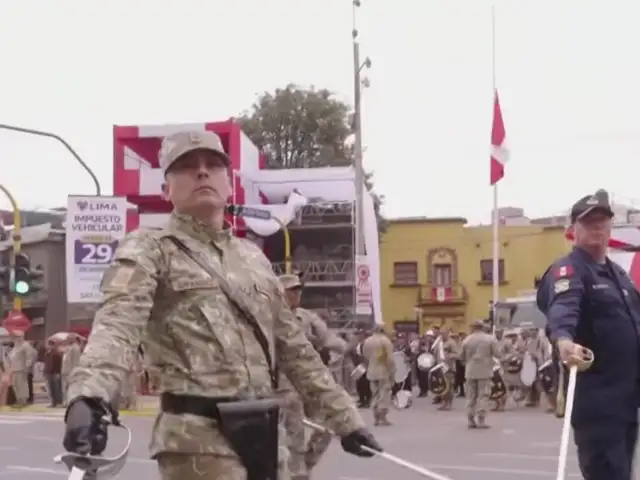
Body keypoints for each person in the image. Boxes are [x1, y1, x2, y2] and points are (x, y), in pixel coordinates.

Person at [62, 130, 382, 480]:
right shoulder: (150, 249)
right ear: (166, 189)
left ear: (228, 184)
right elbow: (117, 326)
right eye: (186, 167)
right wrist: (89, 397)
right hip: (196, 437)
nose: (202, 172)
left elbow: (295, 349)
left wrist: (346, 420)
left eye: (213, 165)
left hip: (265, 433)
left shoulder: (253, 258)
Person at [537, 189, 640, 480]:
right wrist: (564, 340)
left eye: (603, 221)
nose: (597, 227)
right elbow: (563, 307)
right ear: (572, 231)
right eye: (589, 222)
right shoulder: (569, 270)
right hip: (598, 403)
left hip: (627, 401)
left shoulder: (618, 276)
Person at [460, 320, 501, 429]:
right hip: (485, 371)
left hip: (470, 371)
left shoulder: (466, 340)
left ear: (472, 328)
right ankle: (481, 420)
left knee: (470, 396)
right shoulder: (490, 339)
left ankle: (470, 419)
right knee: (483, 396)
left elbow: (461, 357)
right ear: (482, 327)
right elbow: (498, 354)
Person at [361, 326, 395, 426]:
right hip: (383, 371)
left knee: (374, 394)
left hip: (371, 370)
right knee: (384, 394)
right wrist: (392, 371)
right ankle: (382, 418)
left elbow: (365, 356)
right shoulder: (385, 341)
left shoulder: (367, 341)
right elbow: (389, 358)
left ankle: (375, 418)